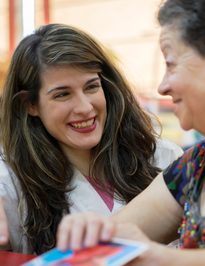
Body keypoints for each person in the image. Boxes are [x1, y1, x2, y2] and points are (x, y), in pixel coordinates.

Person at [55, 0, 205, 265]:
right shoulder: (198, 164)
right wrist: (94, 232)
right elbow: (119, 233)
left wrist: (158, 257)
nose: (162, 86)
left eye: (171, 64)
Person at [0, 23, 183, 254]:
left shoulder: (164, 157)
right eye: (62, 94)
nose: (85, 108)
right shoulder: (11, 184)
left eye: (91, 87)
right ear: (31, 105)